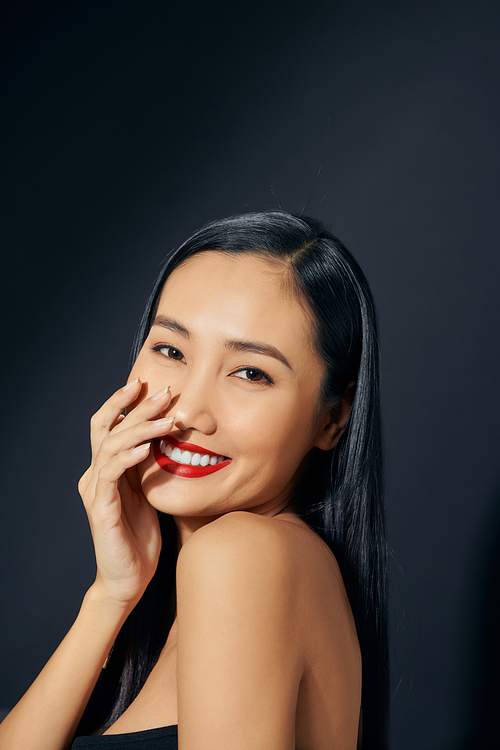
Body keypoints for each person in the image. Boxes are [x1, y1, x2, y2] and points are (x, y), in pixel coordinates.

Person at [0, 211, 389, 750]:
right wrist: (111, 596)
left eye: (251, 372)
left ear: (331, 420)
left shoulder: (243, 555)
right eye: (170, 350)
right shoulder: (230, 572)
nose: (187, 411)